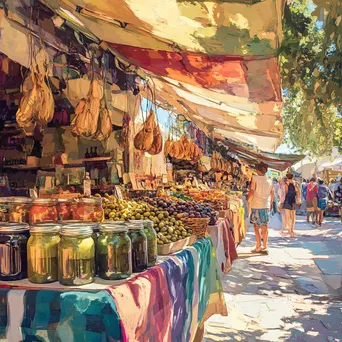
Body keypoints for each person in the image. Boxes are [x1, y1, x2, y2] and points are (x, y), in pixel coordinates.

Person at [247, 162, 274, 254]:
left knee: (256, 226)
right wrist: (270, 203)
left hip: (256, 205)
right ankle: (265, 246)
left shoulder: (254, 178)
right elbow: (272, 193)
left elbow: (251, 191)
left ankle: (258, 245)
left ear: (258, 170)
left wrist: (248, 200)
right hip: (265, 205)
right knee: (265, 226)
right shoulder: (270, 180)